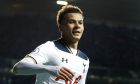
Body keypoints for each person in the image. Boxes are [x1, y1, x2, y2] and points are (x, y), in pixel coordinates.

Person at [11, 5, 90, 84]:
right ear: (61, 27)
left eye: (80, 22)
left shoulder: (85, 59)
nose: (77, 26)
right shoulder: (49, 48)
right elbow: (18, 68)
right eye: (71, 22)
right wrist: (48, 68)